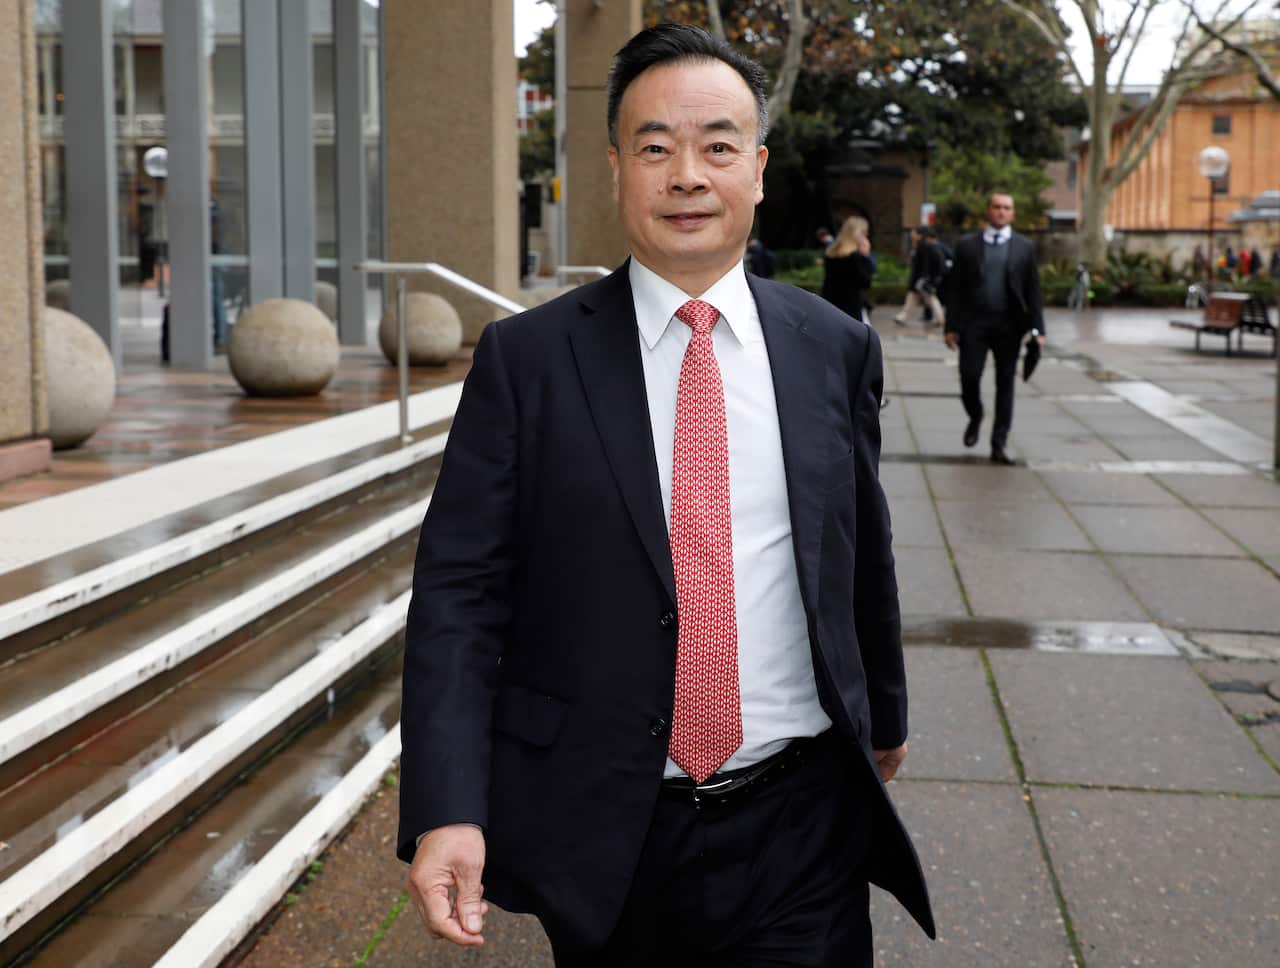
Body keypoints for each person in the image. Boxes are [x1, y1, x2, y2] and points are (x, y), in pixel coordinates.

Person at [398, 22, 933, 967]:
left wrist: (883, 715)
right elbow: (459, 595)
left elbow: (861, 553)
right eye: (656, 149)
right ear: (616, 169)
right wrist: (447, 806)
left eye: (718, 147)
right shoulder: (529, 362)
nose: (688, 175)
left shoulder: (833, 348)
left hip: (801, 823)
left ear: (757, 170)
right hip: (608, 831)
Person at [942, 192, 1044, 465]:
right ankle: (976, 415)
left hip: (1009, 326)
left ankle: (999, 443)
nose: (1001, 211)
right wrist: (951, 326)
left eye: (1007, 208)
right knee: (969, 376)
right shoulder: (967, 245)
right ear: (987, 210)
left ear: (1013, 213)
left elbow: (1033, 290)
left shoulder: (1024, 247)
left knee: (1005, 384)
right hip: (973, 323)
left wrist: (1039, 330)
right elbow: (955, 289)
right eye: (997, 207)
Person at [819, 215, 876, 323]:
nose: (867, 236)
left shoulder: (830, 253)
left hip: (830, 304)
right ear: (858, 234)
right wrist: (866, 256)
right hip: (850, 308)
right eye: (864, 233)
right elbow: (866, 282)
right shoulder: (854, 257)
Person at [893, 226, 946, 327]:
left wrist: (924, 277)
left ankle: (939, 318)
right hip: (921, 278)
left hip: (921, 279)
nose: (912, 234)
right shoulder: (923, 245)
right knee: (916, 298)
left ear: (919, 235)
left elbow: (924, 264)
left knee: (929, 298)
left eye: (914, 233)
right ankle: (903, 317)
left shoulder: (923, 246)